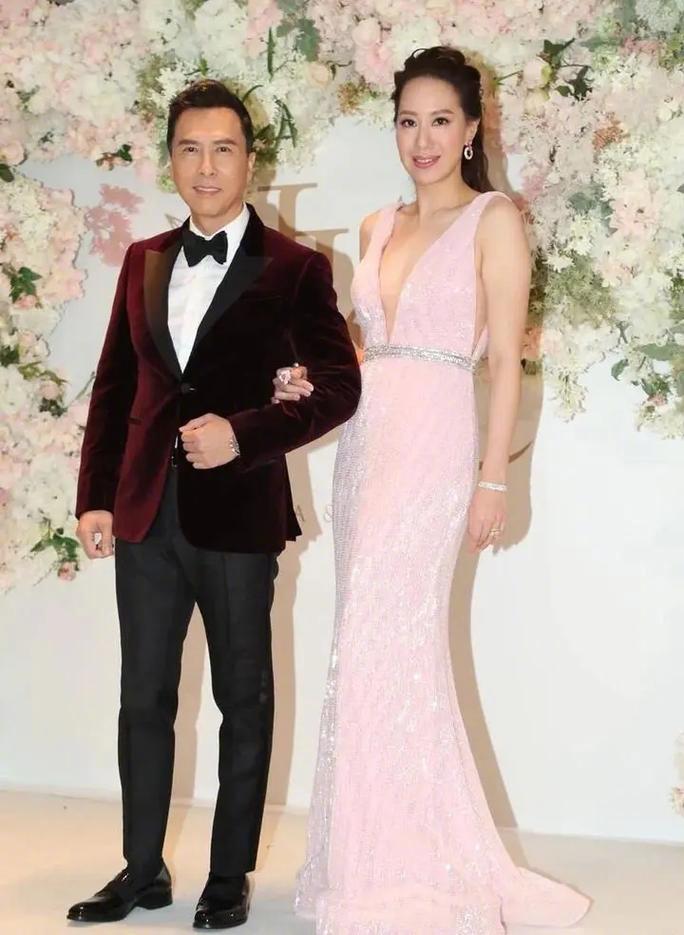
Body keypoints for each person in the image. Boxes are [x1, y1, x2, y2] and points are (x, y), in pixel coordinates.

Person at [275, 48, 591, 935]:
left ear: (472, 129)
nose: (423, 139)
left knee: (391, 637)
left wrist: (494, 477)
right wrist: (310, 377)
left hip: (438, 445)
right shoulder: (377, 223)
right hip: (368, 445)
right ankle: (374, 857)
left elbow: (505, 364)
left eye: (440, 121)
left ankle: (414, 866)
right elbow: (363, 351)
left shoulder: (495, 220)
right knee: (365, 645)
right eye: (408, 121)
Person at [67, 79, 361, 930]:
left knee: (244, 698)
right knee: (142, 698)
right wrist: (95, 497)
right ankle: (142, 868)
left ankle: (228, 874)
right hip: (144, 513)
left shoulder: (297, 268)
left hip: (236, 517)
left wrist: (245, 433)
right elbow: (115, 384)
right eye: (189, 149)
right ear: (171, 158)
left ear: (249, 159)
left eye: (223, 149)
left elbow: (339, 388)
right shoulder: (144, 259)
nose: (206, 166)